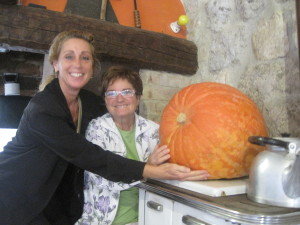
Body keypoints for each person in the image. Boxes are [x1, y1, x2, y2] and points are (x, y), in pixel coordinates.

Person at [0, 30, 210, 225]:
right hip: (15, 194)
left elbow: (119, 105)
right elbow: (88, 155)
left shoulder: (88, 103)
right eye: (69, 56)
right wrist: (150, 169)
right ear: (55, 64)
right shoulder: (42, 108)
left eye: (85, 57)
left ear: (92, 66)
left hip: (53, 200)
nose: (78, 64)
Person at [76, 66, 203, 225]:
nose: (119, 98)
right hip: (104, 221)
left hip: (148, 216)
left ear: (138, 97)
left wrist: (186, 174)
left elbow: (174, 162)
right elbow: (104, 180)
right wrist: (148, 167)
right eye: (111, 93)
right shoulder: (96, 129)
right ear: (105, 100)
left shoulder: (154, 130)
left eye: (127, 92)